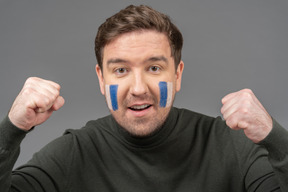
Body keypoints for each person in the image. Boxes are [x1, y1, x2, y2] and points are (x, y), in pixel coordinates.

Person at [0, 4, 287, 192]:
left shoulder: (232, 147)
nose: (138, 88)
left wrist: (274, 136)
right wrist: (10, 130)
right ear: (102, 79)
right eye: (121, 69)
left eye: (154, 68)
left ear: (177, 74)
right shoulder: (73, 153)